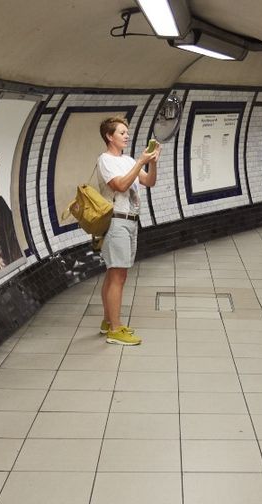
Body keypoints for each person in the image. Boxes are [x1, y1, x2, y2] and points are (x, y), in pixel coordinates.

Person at [96, 116, 160, 345]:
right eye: (121, 132)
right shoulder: (105, 160)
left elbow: (149, 182)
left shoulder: (128, 160)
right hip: (116, 221)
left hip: (131, 221)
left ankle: (108, 322)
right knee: (118, 275)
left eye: (126, 132)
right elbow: (120, 186)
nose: (126, 136)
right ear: (109, 136)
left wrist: (151, 161)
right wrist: (139, 162)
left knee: (116, 273)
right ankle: (115, 329)